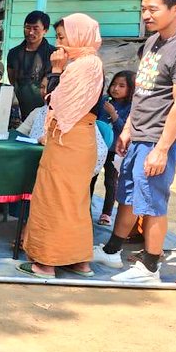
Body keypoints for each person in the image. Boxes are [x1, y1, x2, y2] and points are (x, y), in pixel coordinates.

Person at [94, 0, 176, 283]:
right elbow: (142, 94)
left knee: (152, 201)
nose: (145, 14)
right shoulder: (152, 43)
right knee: (127, 196)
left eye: (152, 9)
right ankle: (113, 250)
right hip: (139, 135)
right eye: (143, 8)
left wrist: (162, 148)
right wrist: (128, 129)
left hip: (159, 140)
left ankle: (150, 267)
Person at [18, 14, 104, 278]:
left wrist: (56, 71)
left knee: (54, 199)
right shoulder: (90, 64)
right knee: (75, 202)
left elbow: (55, 103)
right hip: (80, 140)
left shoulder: (82, 66)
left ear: (79, 36)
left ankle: (46, 263)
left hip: (68, 140)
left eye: (62, 37)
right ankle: (79, 261)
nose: (59, 44)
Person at [90, 71, 134, 226]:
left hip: (114, 150)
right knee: (91, 178)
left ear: (131, 89)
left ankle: (106, 213)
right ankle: (85, 208)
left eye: (121, 86)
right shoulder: (104, 101)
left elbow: (125, 129)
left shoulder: (131, 107)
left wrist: (114, 115)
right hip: (97, 146)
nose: (115, 89)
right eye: (114, 84)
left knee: (110, 181)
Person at [7, 10, 57, 118]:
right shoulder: (13, 53)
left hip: (44, 109)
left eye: (35, 28)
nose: (30, 32)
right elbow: (12, 79)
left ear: (45, 30)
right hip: (19, 108)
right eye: (27, 28)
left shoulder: (54, 54)